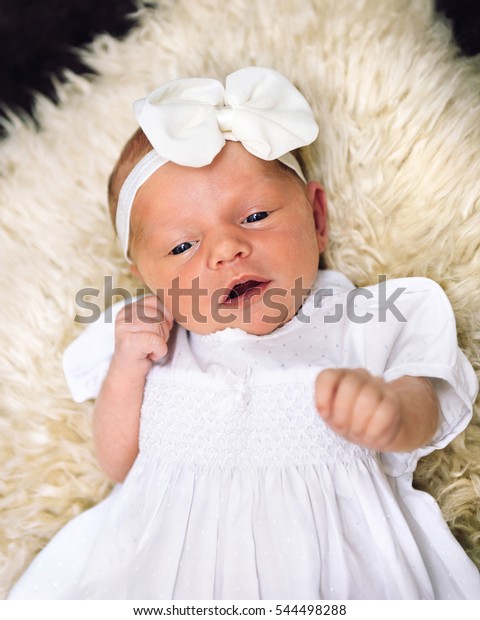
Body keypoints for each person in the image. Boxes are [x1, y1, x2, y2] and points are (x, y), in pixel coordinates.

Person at [8, 67, 480, 599]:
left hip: (336, 574)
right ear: (149, 280)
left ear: (318, 218)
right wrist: (126, 368)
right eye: (182, 247)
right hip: (162, 577)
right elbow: (119, 464)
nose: (225, 249)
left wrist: (393, 413)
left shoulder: (365, 317)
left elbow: (427, 401)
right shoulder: (154, 339)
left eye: (255, 215)